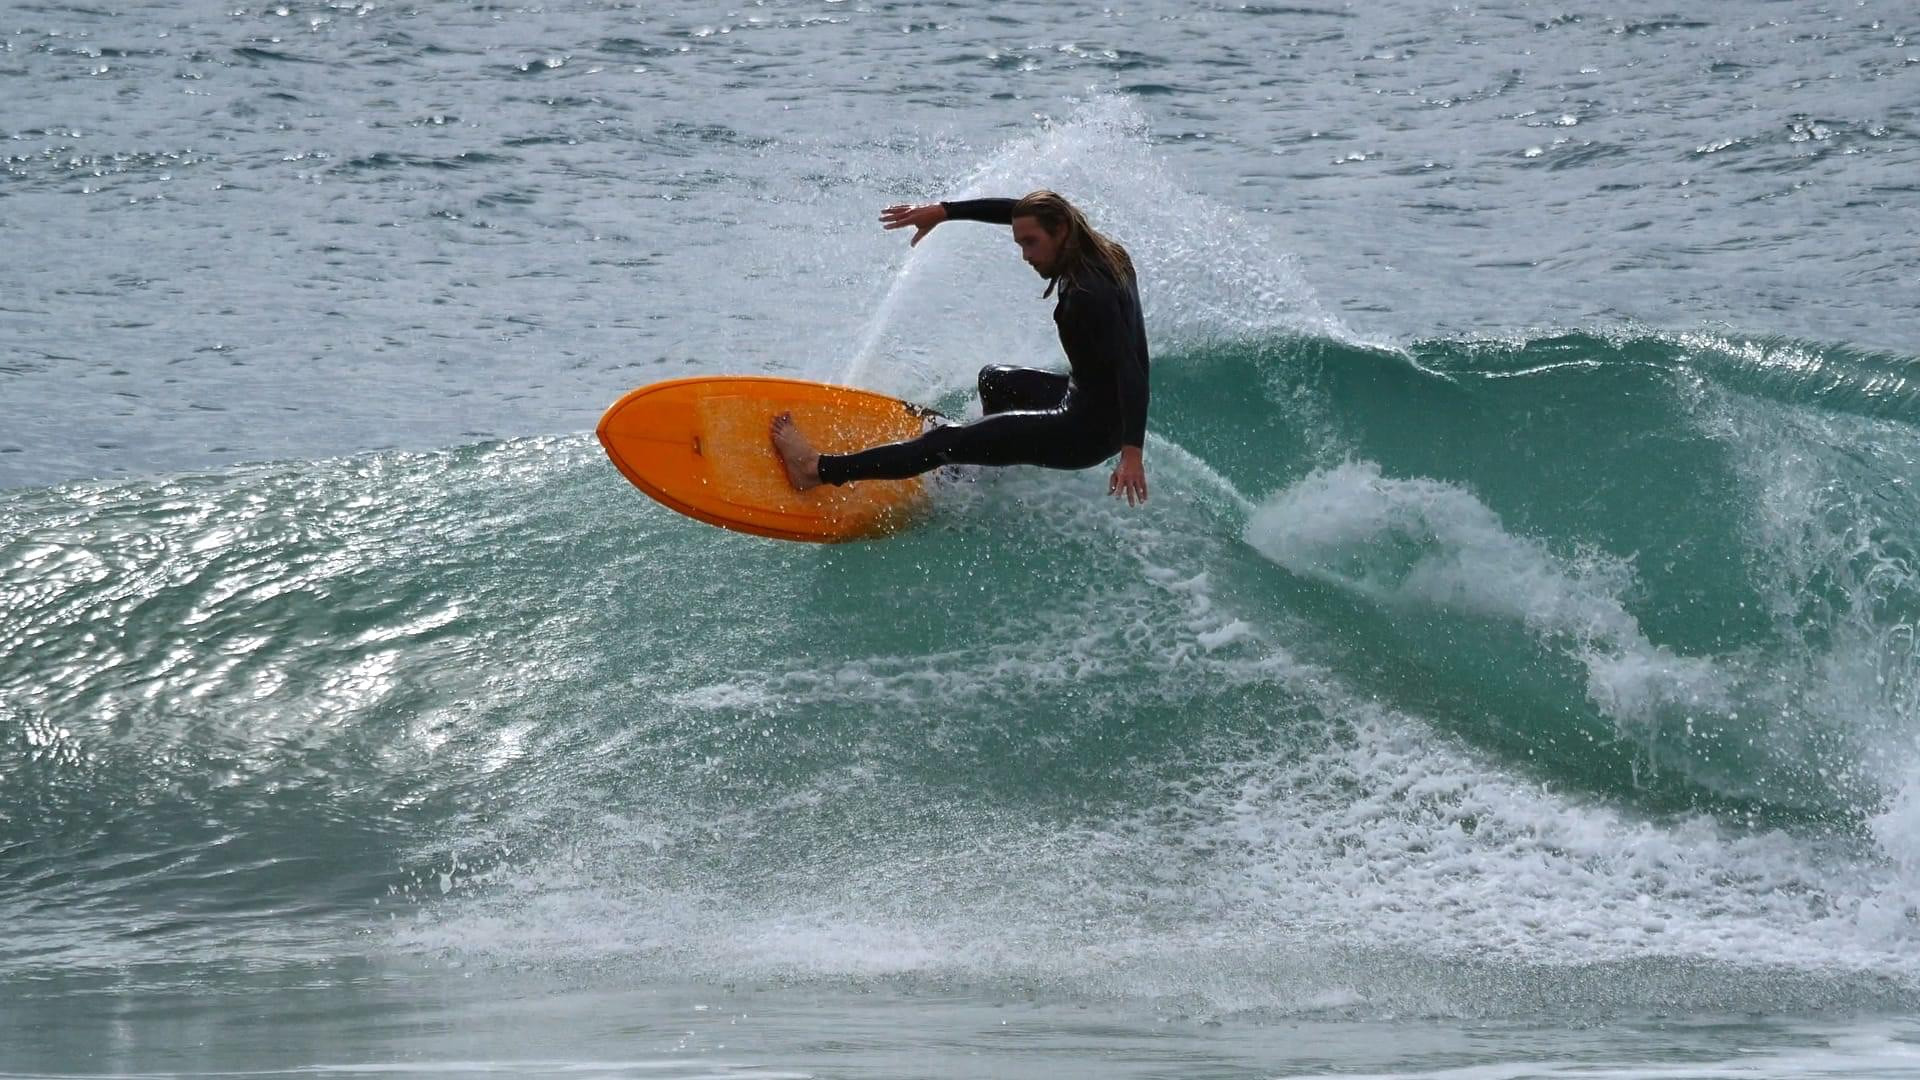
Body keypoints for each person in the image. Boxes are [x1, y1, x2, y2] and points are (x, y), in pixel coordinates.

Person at [769, 189, 1150, 506]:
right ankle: (984, 462)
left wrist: (1132, 453)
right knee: (995, 381)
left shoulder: (1088, 295)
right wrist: (944, 212)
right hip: (1090, 400)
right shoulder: (1104, 251)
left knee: (942, 443)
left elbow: (1130, 370)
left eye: (1031, 244)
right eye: (1020, 242)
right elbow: (1020, 213)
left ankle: (815, 470)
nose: (1026, 256)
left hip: (1085, 432)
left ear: (1061, 231)